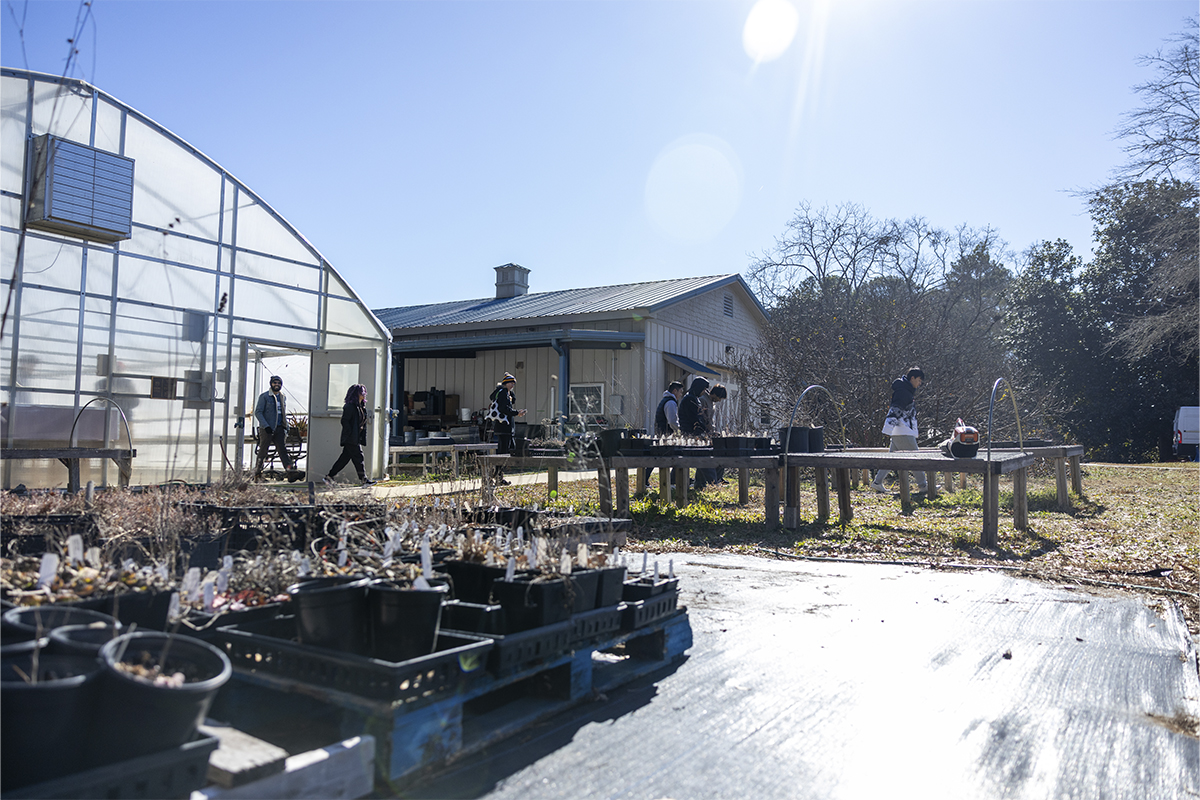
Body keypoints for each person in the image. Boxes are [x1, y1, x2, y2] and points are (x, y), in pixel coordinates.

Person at [871, 367, 927, 493]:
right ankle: (923, 486)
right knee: (916, 458)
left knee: (891, 460)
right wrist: (888, 428)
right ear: (912, 378)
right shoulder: (903, 392)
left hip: (900, 431)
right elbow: (894, 410)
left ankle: (877, 482)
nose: (919, 384)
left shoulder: (904, 390)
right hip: (903, 431)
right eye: (918, 380)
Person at [324, 383, 375, 487]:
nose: (364, 394)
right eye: (362, 392)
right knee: (359, 457)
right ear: (356, 394)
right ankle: (364, 480)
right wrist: (351, 433)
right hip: (351, 438)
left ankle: (329, 477)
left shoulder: (360, 407)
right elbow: (344, 421)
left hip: (355, 437)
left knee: (344, 459)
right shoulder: (350, 407)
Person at [678, 376, 718, 492]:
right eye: (703, 389)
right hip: (691, 434)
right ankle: (713, 484)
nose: (704, 392)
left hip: (693, 433)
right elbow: (695, 420)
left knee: (700, 459)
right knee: (704, 458)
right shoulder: (690, 399)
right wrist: (704, 431)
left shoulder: (692, 398)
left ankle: (700, 484)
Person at [253, 375, 295, 479]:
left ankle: (291, 472)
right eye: (274, 383)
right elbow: (258, 412)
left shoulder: (282, 396)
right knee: (263, 451)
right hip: (267, 429)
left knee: (283, 450)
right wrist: (265, 425)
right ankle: (257, 473)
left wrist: (286, 427)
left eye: (279, 383)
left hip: (279, 428)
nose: (277, 385)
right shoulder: (264, 396)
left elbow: (283, 413)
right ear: (271, 384)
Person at [646, 380, 685, 489]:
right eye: (680, 392)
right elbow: (672, 421)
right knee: (671, 457)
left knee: (656, 458)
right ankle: (671, 482)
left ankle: (645, 480)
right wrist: (679, 430)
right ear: (675, 390)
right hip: (666, 435)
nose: (681, 394)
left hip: (660, 433)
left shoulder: (664, 400)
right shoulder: (671, 402)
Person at [489, 372, 525, 485]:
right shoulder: (502, 393)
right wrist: (516, 413)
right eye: (511, 383)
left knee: (506, 450)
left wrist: (511, 394)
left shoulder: (505, 393)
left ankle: (498, 474)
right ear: (505, 383)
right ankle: (498, 476)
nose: (512, 385)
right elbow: (504, 408)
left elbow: (512, 401)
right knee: (503, 452)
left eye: (513, 384)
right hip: (504, 426)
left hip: (504, 427)